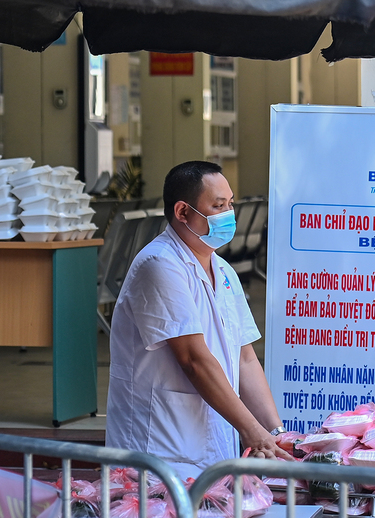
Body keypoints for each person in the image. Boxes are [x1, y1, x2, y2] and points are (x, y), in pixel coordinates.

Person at [106, 160, 293, 479]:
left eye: (230, 204)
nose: (229, 215)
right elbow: (193, 359)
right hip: (162, 448)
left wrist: (275, 433)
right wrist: (251, 429)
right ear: (182, 212)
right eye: (218, 206)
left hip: (211, 442)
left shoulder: (224, 270)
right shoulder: (159, 265)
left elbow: (245, 359)